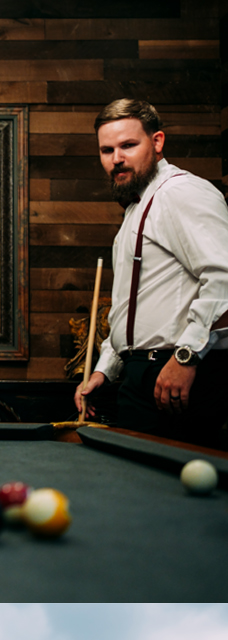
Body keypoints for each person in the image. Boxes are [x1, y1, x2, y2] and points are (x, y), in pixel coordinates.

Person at [74, 99, 228, 447]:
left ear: (157, 142)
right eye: (107, 150)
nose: (117, 158)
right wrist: (105, 370)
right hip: (142, 373)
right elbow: (135, 305)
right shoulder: (138, 206)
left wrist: (187, 356)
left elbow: (224, 279)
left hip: (178, 373)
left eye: (128, 145)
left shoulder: (181, 192)